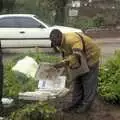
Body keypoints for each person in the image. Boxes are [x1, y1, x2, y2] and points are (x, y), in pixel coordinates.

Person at [49, 29, 100, 113]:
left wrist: (64, 63)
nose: (54, 44)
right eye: (52, 42)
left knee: (88, 82)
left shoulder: (72, 39)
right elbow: (66, 54)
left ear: (59, 36)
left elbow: (77, 54)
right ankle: (75, 103)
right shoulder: (59, 42)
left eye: (55, 41)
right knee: (77, 81)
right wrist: (62, 65)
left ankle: (86, 105)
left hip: (90, 56)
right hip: (79, 59)